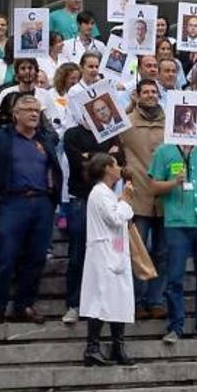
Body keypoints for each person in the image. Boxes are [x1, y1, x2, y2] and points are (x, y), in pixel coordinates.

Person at [0, 95, 63, 326]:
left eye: (36, 109)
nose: (34, 113)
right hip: (13, 203)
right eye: (28, 110)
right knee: (6, 256)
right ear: (16, 114)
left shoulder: (45, 139)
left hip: (42, 203)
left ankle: (24, 304)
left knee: (36, 257)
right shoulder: (1, 139)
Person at [149, 134, 197, 344]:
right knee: (174, 277)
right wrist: (174, 182)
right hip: (177, 222)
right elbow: (153, 186)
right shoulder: (164, 151)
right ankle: (175, 326)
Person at [61, 108, 125, 324]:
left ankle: (106, 302)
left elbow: (118, 162)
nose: (98, 112)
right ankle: (73, 303)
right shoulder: (72, 134)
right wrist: (105, 155)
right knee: (79, 251)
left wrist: (93, 156)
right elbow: (84, 166)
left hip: (109, 200)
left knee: (114, 250)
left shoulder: (112, 133)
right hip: (81, 200)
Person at [79, 153, 135, 366]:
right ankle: (92, 347)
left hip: (115, 251)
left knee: (118, 298)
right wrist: (126, 202)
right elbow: (114, 218)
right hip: (103, 253)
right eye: (116, 164)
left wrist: (123, 202)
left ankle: (117, 346)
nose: (119, 167)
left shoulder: (110, 194)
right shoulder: (99, 193)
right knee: (100, 299)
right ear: (106, 168)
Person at [120, 80, 168, 320]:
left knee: (162, 252)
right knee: (138, 251)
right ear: (137, 95)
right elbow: (111, 150)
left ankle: (156, 299)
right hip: (138, 197)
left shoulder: (171, 124)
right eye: (146, 92)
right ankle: (136, 300)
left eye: (154, 92)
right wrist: (122, 169)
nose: (150, 95)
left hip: (166, 197)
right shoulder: (125, 123)